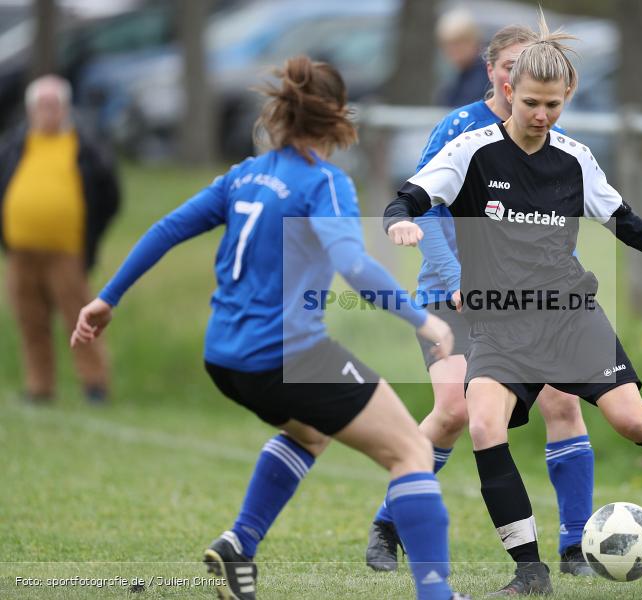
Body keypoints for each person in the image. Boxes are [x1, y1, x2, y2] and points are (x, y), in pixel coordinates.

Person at [384, 13, 642, 596]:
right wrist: (399, 224)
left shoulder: (574, 158)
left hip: (570, 317)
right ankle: (530, 571)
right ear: (507, 93)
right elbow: (410, 196)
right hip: (499, 324)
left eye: (552, 104)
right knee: (485, 423)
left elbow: (630, 226)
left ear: (566, 96)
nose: (541, 116)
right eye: (530, 104)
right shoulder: (472, 150)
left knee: (633, 421)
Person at [70, 56, 468, 600]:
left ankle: (240, 543)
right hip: (287, 355)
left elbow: (167, 228)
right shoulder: (325, 182)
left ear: (282, 113)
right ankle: (437, 596)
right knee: (411, 454)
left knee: (309, 432)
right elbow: (353, 264)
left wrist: (106, 298)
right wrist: (423, 319)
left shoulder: (245, 175)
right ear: (337, 118)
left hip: (225, 357)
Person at [365, 25, 596, 578]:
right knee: (454, 408)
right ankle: (387, 522)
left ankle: (575, 546)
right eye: (511, 67)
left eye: (533, 69)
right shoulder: (461, 128)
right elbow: (426, 204)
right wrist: (453, 277)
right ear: (494, 72)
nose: (521, 78)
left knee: (563, 401)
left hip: (529, 300)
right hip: (452, 295)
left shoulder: (546, 130)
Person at [0, 74, 119, 404]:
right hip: (21, 252)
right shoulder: (15, 145)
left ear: (66, 109)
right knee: (30, 320)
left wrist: (89, 234)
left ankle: (95, 384)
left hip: (66, 252)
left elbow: (109, 196)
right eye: (42, 105)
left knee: (80, 317)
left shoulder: (84, 147)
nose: (48, 112)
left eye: (54, 105)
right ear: (30, 110)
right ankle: (39, 386)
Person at [436, 9, 490, 107]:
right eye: (448, 44)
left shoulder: (487, 74)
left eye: (459, 42)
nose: (453, 50)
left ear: (474, 41)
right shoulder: (457, 75)